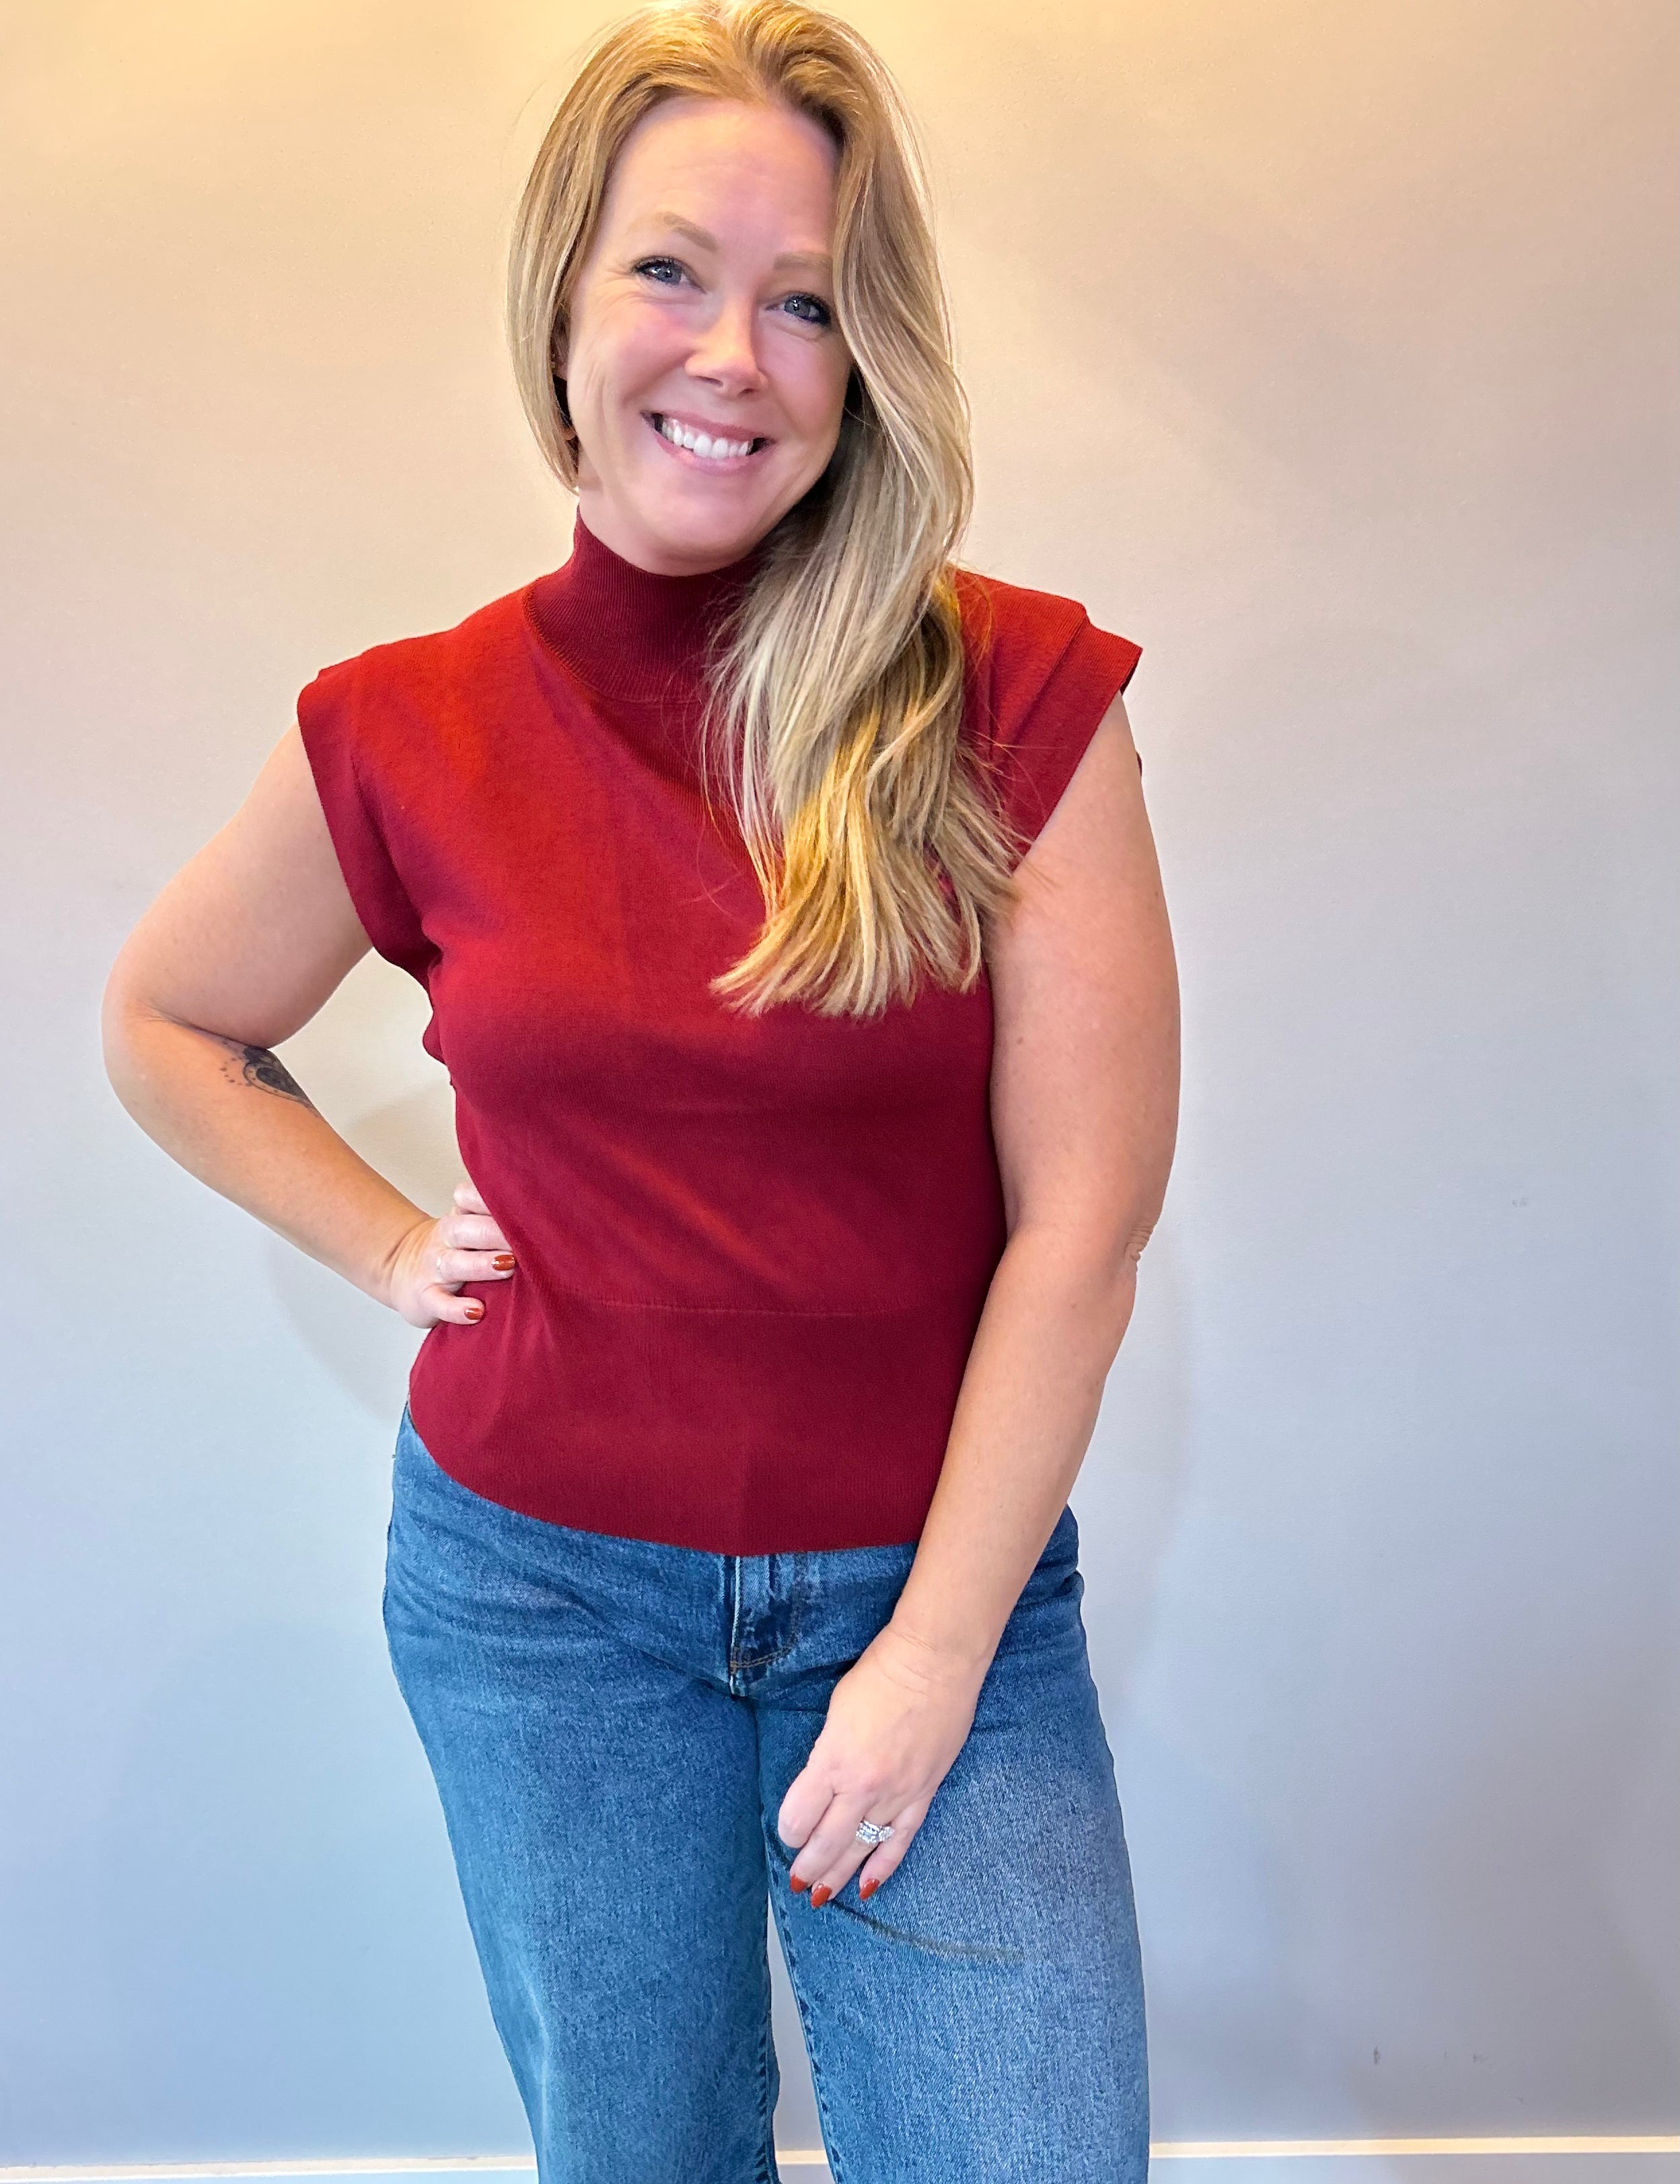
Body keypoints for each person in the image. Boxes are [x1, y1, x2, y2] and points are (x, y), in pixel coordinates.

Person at [102, 2, 1179, 2177]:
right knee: (644, 2147)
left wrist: (934, 1656)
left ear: (865, 354)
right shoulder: (401, 728)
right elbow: (168, 1023)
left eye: (806, 300)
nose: (734, 353)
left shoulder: (1014, 695)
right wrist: (388, 1240)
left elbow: (1083, 1223)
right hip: (538, 1603)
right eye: (671, 271)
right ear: (564, 304)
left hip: (926, 1587)